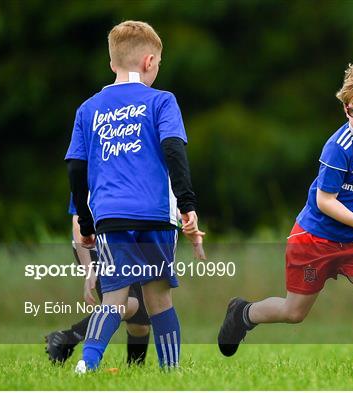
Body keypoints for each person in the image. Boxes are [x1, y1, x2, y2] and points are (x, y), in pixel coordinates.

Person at [218, 57, 353, 369]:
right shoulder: (340, 146)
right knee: (294, 313)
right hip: (315, 239)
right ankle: (243, 312)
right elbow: (326, 201)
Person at [65, 20, 205, 373]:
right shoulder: (162, 101)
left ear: (112, 63)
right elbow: (174, 150)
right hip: (155, 215)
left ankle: (87, 364)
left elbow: (75, 169)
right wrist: (187, 205)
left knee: (114, 297)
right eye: (158, 63)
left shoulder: (88, 109)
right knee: (160, 298)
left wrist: (85, 219)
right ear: (148, 62)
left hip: (111, 216)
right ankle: (171, 371)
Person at [45, 198, 150, 366]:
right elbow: (77, 224)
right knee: (128, 304)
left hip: (128, 249)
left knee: (141, 322)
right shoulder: (90, 174)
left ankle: (135, 369)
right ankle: (70, 338)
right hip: (94, 249)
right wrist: (89, 271)